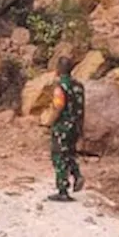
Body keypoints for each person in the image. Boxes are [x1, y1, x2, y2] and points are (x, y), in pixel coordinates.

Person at [43, 55, 85, 202]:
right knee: (70, 153)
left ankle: (63, 190)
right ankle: (77, 174)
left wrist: (50, 121)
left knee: (59, 156)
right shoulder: (78, 86)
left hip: (63, 126)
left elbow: (58, 106)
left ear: (59, 69)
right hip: (76, 125)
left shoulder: (61, 87)